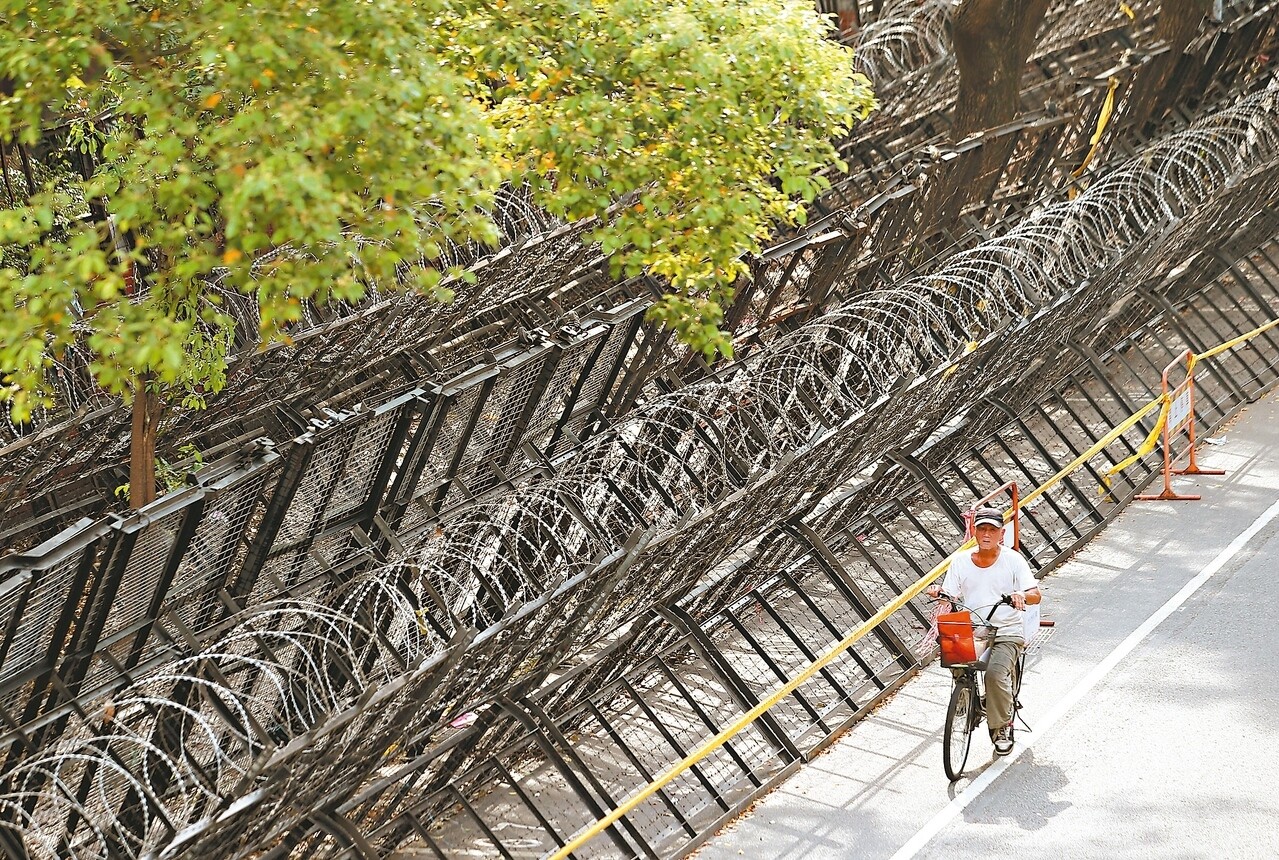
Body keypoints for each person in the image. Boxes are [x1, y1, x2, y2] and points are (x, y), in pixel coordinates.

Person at [928, 505, 1040, 756]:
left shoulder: (1013, 560)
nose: (987, 534)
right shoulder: (960, 562)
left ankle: (1001, 727)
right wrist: (939, 592)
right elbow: (951, 593)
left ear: (1001, 533)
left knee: (994, 675)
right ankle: (965, 697)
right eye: (982, 529)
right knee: (952, 653)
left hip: (1006, 630)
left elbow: (1035, 595)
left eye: (992, 530)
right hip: (974, 628)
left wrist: (1020, 596)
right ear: (974, 532)